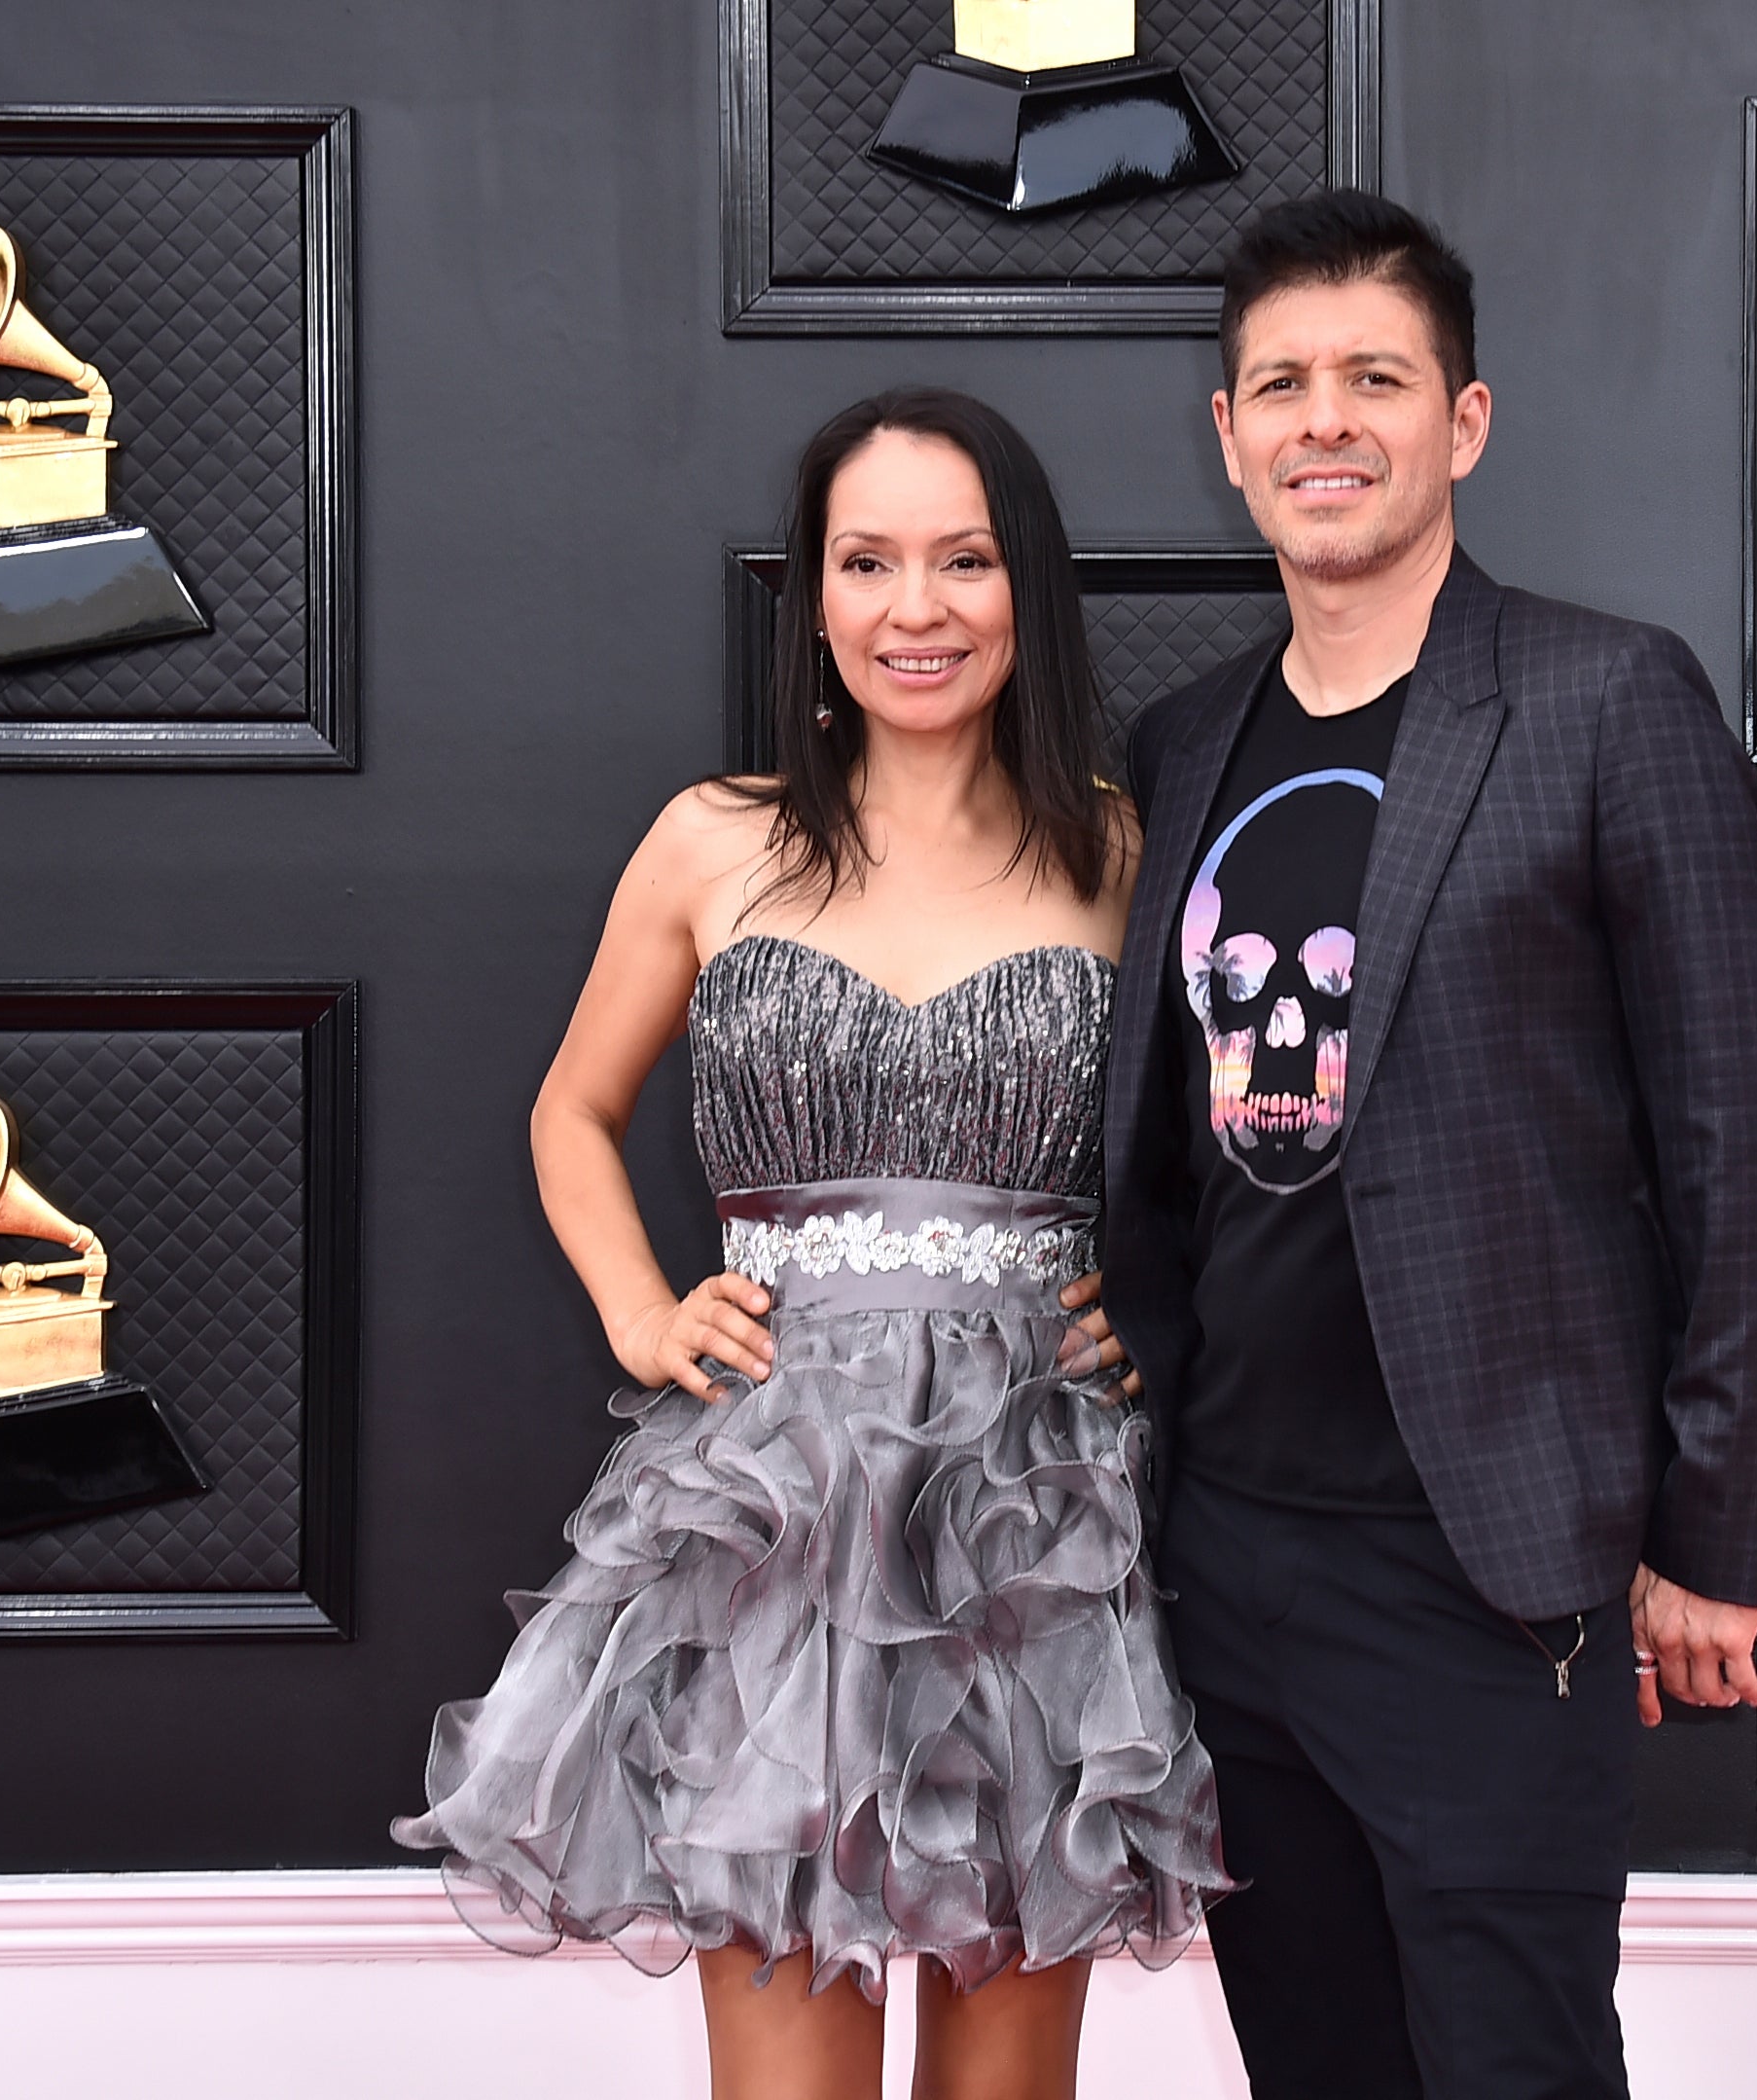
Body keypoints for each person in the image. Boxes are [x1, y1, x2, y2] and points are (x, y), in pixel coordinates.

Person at [395, 386, 1228, 2100]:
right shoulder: (716, 838)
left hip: (1031, 1515)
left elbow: (1234, 1150)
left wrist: (1162, 1305)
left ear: (1029, 590)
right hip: (774, 1510)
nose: (915, 607)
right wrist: (638, 1305)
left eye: (964, 559)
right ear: (816, 596)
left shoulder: (1127, 852)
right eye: (868, 560)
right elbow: (570, 1110)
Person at [1097, 191, 1757, 2100]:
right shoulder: (1179, 746)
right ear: (1229, 433)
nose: (1324, 420)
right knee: (1312, 2066)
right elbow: (1162, 1150)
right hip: (1227, 1558)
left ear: (1463, 422)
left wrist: (1712, 1535)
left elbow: (1739, 1124)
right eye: (1281, 383)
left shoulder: (1605, 699)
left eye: (1373, 378)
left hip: (1492, 1577)